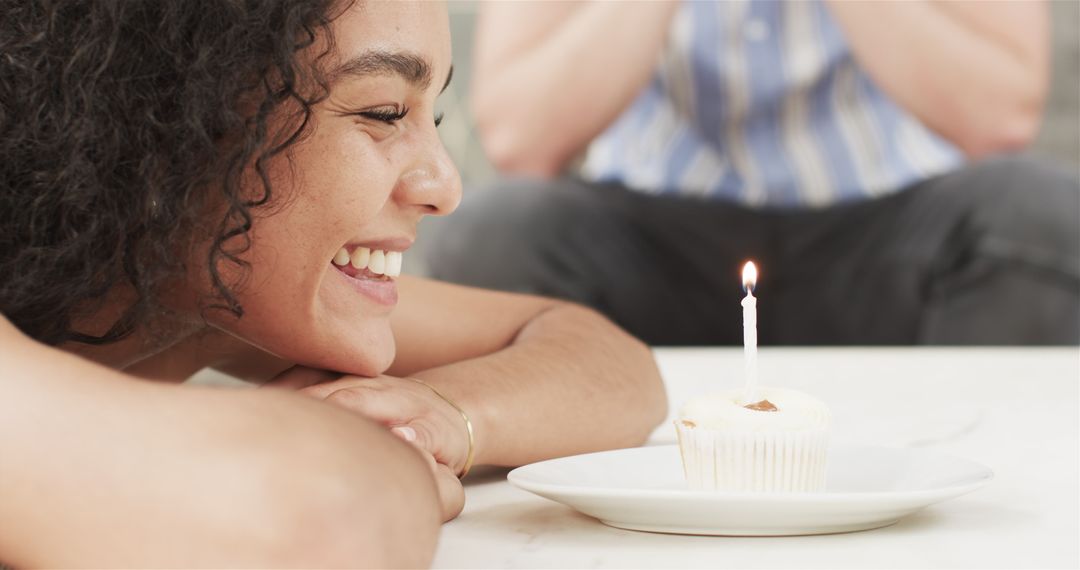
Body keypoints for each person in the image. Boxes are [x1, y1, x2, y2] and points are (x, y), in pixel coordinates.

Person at [0, 1, 667, 566]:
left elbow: (600, 355)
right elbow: (323, 512)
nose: (445, 187)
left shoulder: (202, 302)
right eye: (382, 113)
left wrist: (439, 416)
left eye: (429, 118)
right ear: (163, 120)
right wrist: (381, 451)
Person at [428, 1, 1080, 346]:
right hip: (653, 247)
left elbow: (1000, 119)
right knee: (497, 232)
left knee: (1039, 216)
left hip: (886, 241)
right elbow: (520, 139)